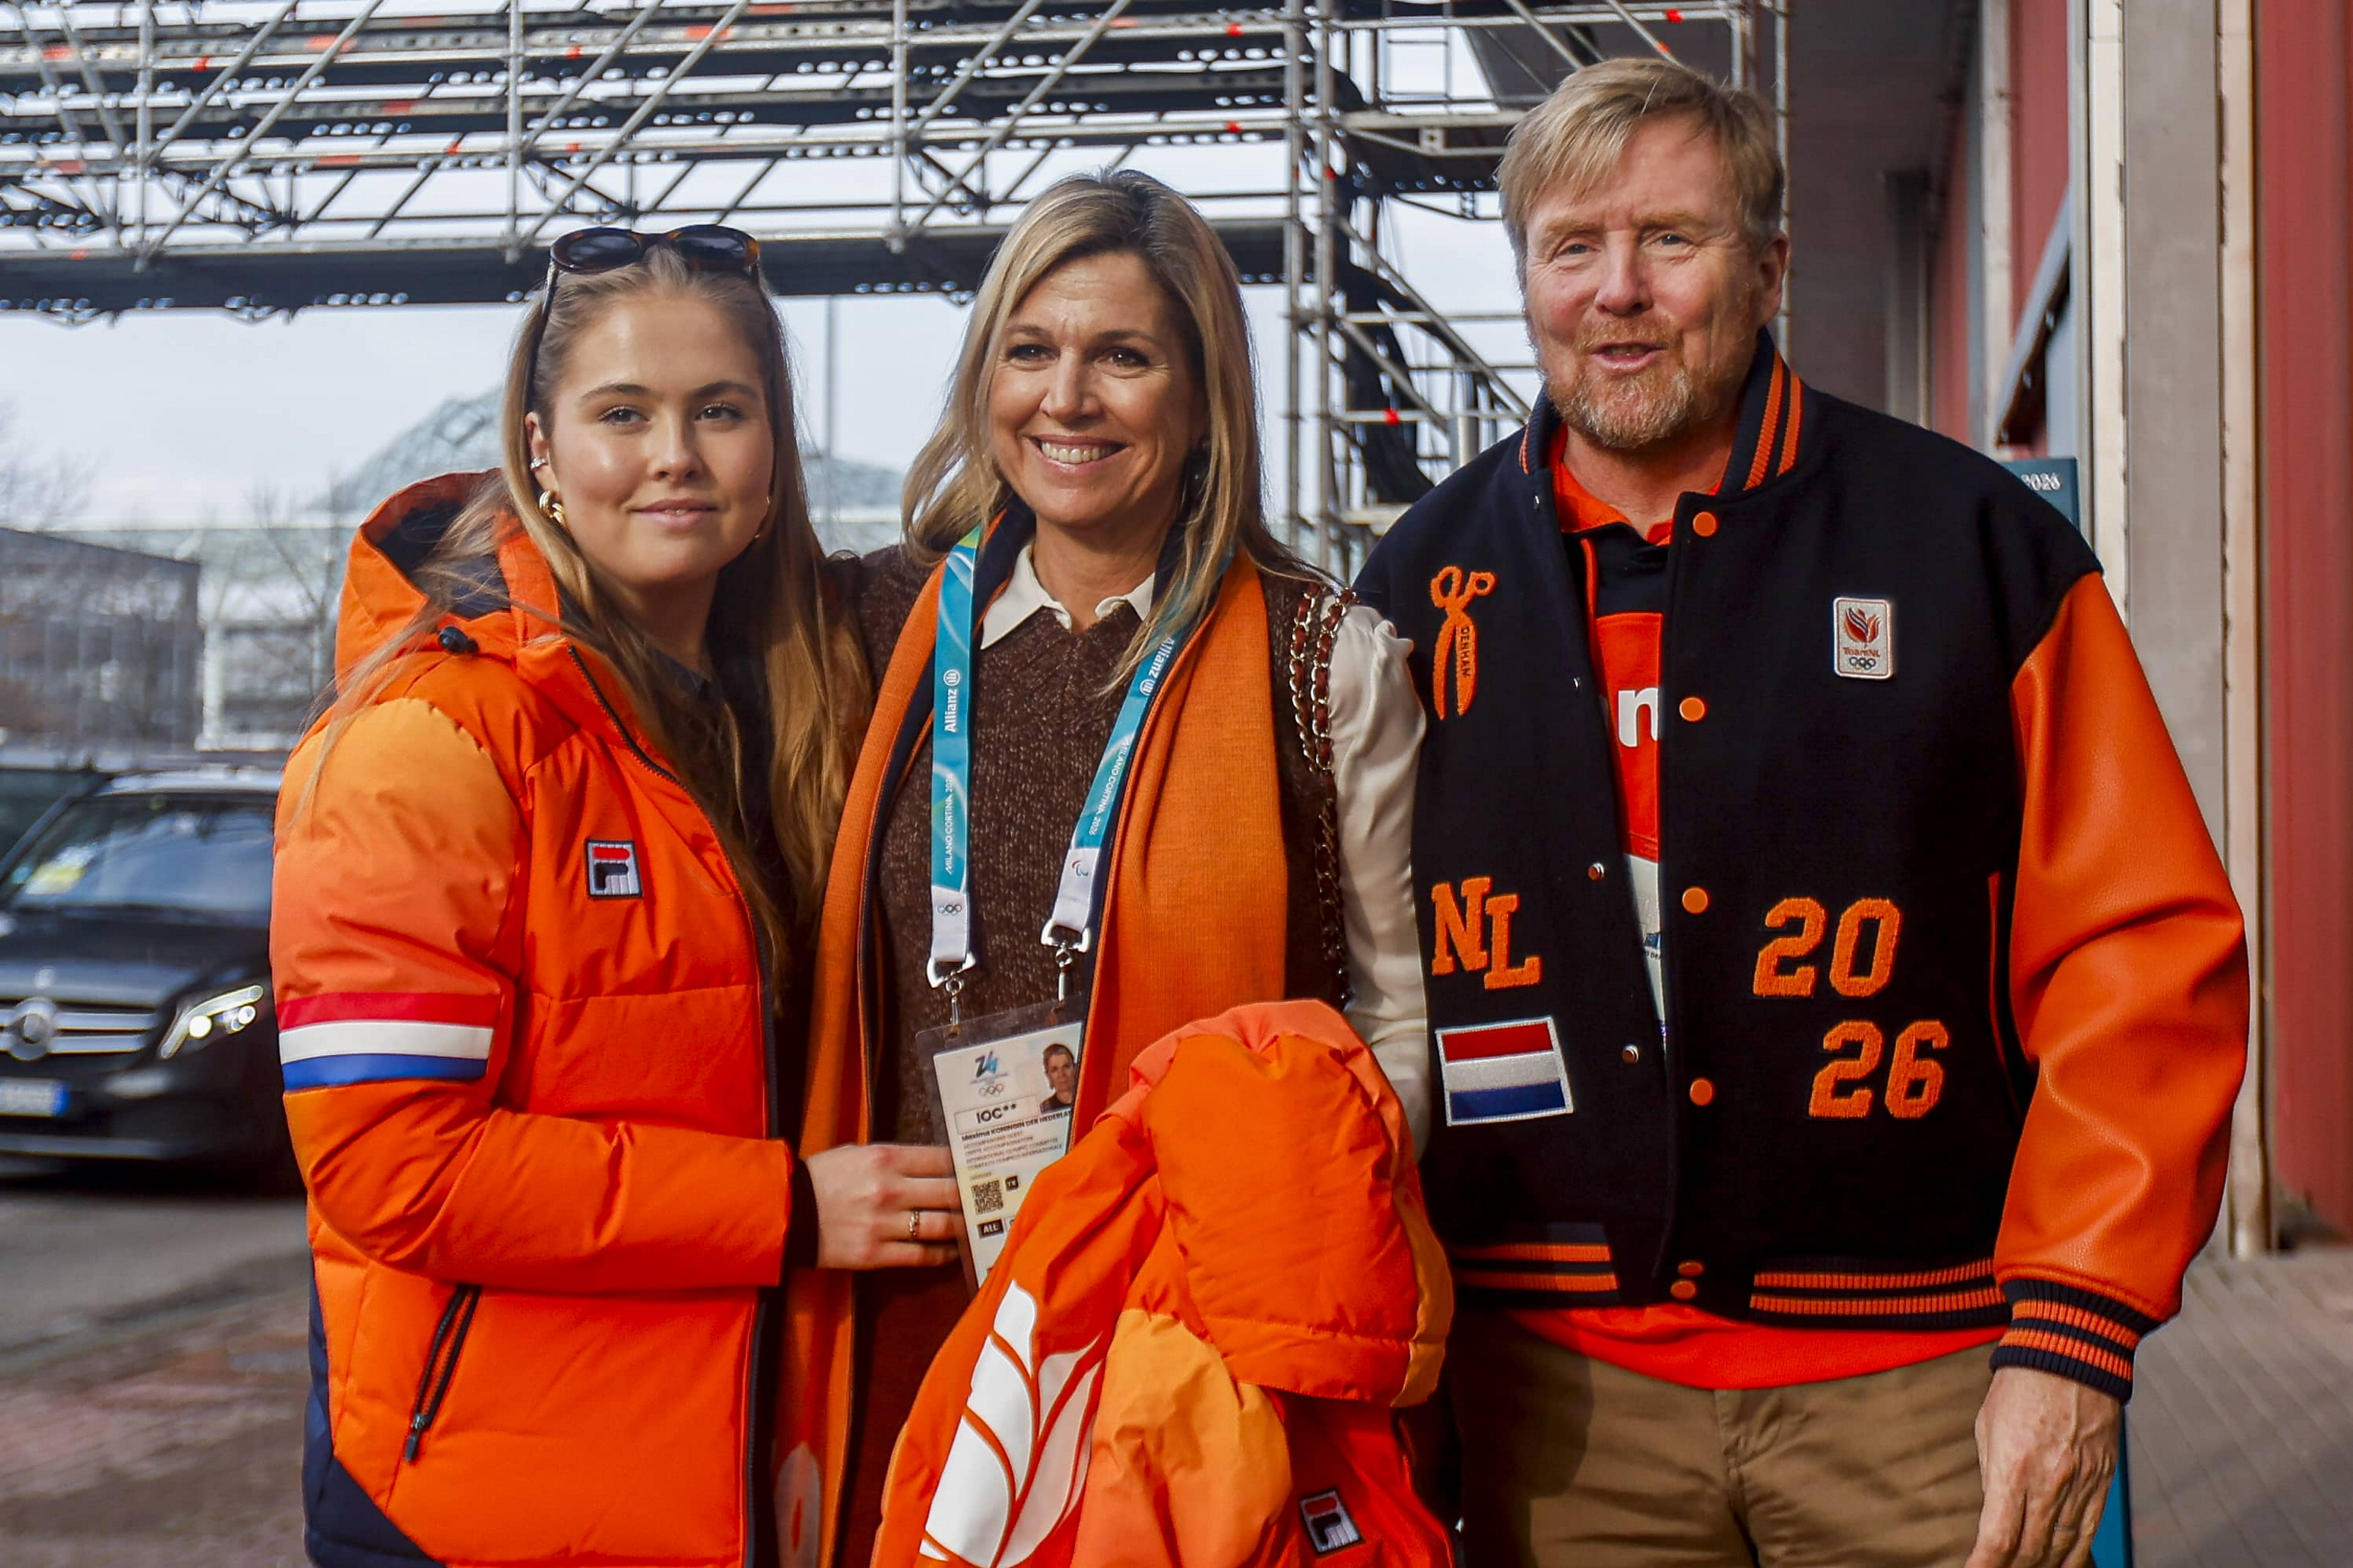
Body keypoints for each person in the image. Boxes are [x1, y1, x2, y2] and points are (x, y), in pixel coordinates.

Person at [1354, 58, 2249, 1568]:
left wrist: (2074, 1329)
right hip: (1550, 1404)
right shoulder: (1405, 597)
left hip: (1913, 1388)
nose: (1617, 292)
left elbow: (2137, 948)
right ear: (1525, 280)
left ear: (1766, 269)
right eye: (1571, 247)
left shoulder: (1971, 550)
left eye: (1670, 241)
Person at [271, 227, 957, 1568]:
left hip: (728, 1481)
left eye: (721, 411)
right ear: (539, 450)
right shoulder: (430, 738)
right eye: (622, 413)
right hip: (484, 1508)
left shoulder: (786, 710)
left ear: (774, 456)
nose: (675, 458)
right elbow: (390, 1163)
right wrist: (790, 1205)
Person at [785, 169, 1430, 1564]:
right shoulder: (872, 627)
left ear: (1201, 403)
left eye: (1123, 356)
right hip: (918, 1315)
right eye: (1032, 350)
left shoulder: (1325, 661)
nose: (1066, 398)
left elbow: (1396, 1014)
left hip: (1186, 1342)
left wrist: (1302, 1248)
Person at [1038, 1041, 1078, 1113]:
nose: (1061, 1074)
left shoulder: (1092, 1098)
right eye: (1054, 1070)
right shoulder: (1045, 1109)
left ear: (1075, 1068)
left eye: (1066, 1067)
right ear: (1048, 1075)